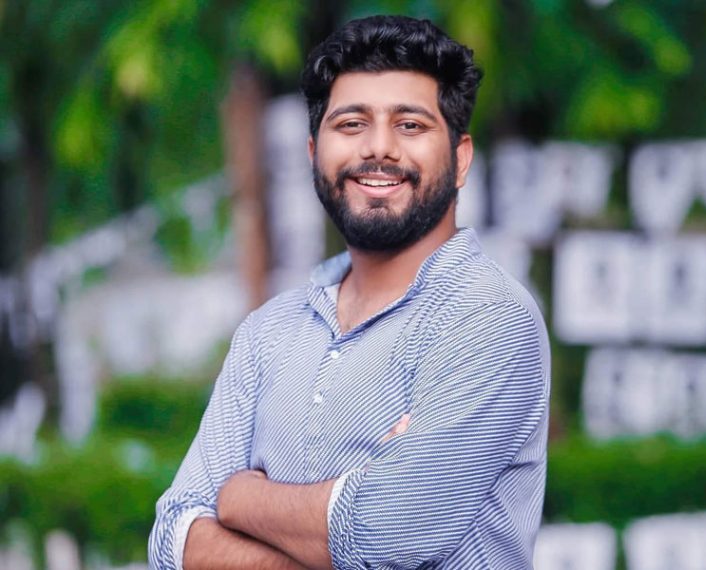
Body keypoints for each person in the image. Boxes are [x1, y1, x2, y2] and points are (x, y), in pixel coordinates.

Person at [149, 14, 550, 570]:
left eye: (410, 125)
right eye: (352, 124)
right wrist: (340, 508)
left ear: (460, 159)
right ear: (314, 151)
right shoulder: (268, 331)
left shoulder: (491, 320)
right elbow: (171, 539)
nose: (378, 148)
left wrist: (239, 498)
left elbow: (386, 537)